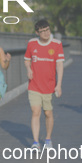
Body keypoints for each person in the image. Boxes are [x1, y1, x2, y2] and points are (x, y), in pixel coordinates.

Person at [24, 19, 64, 152]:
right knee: (36, 112)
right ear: (37, 33)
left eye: (47, 30)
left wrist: (59, 85)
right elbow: (26, 59)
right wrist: (29, 69)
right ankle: (36, 142)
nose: (46, 33)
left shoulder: (57, 44)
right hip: (34, 85)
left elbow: (59, 65)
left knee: (48, 113)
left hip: (49, 86)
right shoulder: (32, 43)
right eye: (43, 31)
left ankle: (47, 139)